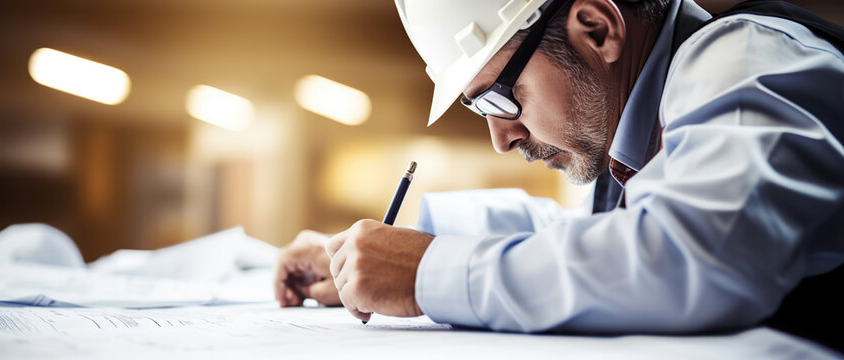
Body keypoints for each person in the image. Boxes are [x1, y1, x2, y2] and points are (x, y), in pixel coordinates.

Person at [274, 0, 844, 349]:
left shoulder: (745, 62)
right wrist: (381, 254)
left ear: (597, 28)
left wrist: (426, 271)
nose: (501, 138)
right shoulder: (635, 133)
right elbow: (580, 238)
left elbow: (691, 256)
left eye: (502, 98)